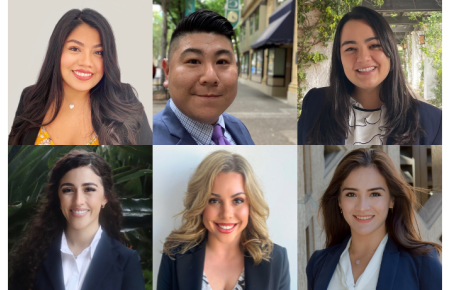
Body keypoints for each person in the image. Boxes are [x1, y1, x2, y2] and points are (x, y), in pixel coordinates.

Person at [297, 6, 441, 145]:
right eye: (351, 48)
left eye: (374, 45)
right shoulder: (315, 104)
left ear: (390, 51)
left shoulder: (434, 121)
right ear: (339, 58)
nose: (363, 58)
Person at [8, 8, 152, 145]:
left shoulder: (124, 99)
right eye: (75, 49)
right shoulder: (30, 98)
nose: (86, 62)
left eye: (98, 52)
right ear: (57, 52)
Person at [306, 148, 442, 290]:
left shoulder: (423, 261)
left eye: (375, 194)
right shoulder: (318, 263)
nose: (362, 207)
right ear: (339, 201)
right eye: (351, 194)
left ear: (392, 200)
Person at [9, 150, 145, 289]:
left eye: (89, 189)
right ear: (58, 198)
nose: (78, 201)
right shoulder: (32, 258)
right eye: (68, 190)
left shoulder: (126, 261)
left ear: (105, 198)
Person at [157, 151, 289, 289]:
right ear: (200, 204)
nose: (226, 214)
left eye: (238, 200)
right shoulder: (174, 256)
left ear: (251, 204)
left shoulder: (277, 259)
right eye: (214, 200)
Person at [153, 10, 254, 145]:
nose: (210, 77)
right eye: (194, 61)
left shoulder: (238, 126)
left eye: (222, 62)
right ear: (167, 72)